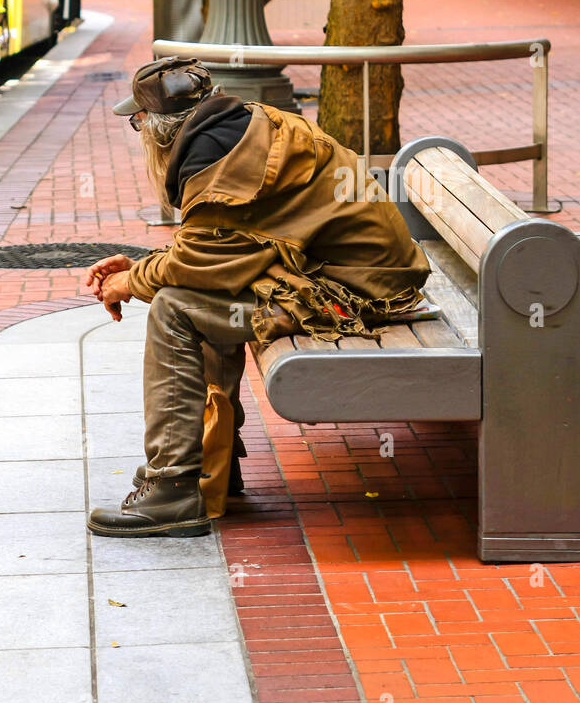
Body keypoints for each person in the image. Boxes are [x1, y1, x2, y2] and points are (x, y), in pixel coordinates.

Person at [84, 57, 430, 539]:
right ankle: (207, 465)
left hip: (358, 294)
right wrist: (142, 266)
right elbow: (221, 247)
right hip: (359, 275)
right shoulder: (241, 125)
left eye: (137, 121)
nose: (138, 131)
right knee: (190, 297)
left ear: (159, 127)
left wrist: (133, 280)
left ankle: (173, 488)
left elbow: (198, 262)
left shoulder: (216, 158)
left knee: (174, 309)